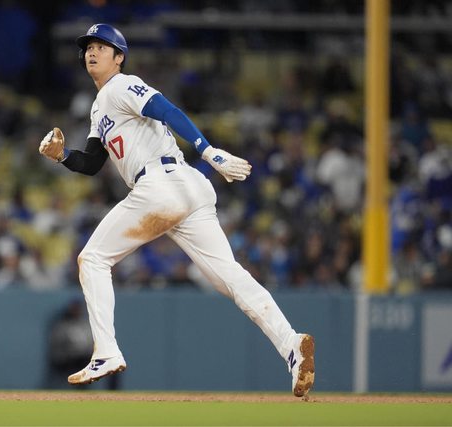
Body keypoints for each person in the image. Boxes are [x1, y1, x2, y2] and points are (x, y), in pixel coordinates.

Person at [38, 23, 315, 398]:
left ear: (119, 57)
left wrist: (208, 150)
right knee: (230, 277)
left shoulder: (121, 84)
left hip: (161, 184)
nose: (92, 51)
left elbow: (167, 109)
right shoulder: (99, 106)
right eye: (88, 46)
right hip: (187, 190)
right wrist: (62, 156)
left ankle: (106, 352)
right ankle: (291, 344)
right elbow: (90, 163)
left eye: (102, 46)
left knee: (93, 259)